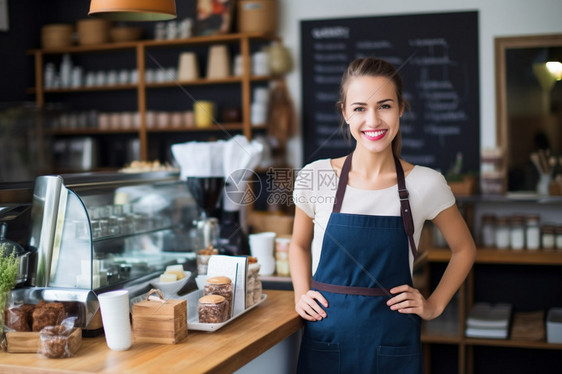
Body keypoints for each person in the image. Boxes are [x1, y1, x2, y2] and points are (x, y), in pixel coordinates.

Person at [289, 57, 476, 373]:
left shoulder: (426, 183)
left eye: (385, 106)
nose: (373, 120)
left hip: (392, 340)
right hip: (327, 336)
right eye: (360, 108)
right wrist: (301, 293)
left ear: (401, 108)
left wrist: (434, 305)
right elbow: (298, 244)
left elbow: (464, 249)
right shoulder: (315, 175)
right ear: (345, 113)